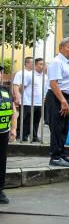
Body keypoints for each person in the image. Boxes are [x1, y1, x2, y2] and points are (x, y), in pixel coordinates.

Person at [46, 37, 69, 167]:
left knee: (64, 128)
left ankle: (62, 154)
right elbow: (53, 83)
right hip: (57, 98)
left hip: (66, 98)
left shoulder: (68, 63)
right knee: (57, 128)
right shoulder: (57, 62)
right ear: (61, 48)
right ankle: (55, 157)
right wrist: (63, 101)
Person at [12, 57, 45, 142]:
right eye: (41, 64)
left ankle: (34, 136)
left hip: (39, 102)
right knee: (25, 120)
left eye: (43, 64)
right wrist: (18, 97)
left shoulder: (44, 76)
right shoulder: (28, 75)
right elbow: (20, 86)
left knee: (36, 121)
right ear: (35, 65)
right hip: (27, 102)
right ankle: (22, 135)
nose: (43, 66)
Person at [0, 66, 19, 204]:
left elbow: (13, 111)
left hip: (3, 133)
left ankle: (0, 190)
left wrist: (13, 128)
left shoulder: (5, 91)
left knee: (1, 163)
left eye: (0, 73)